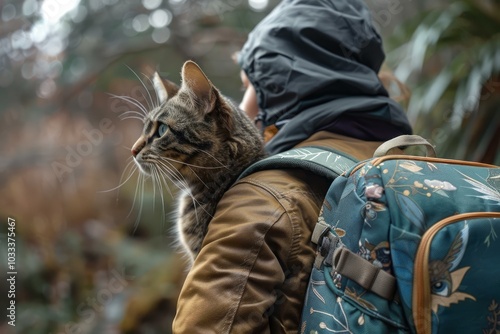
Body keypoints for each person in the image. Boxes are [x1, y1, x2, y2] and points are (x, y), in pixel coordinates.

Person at [172, 0, 413, 332]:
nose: (241, 107)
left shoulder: (262, 199)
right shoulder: (413, 162)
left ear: (278, 87)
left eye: (248, 86)